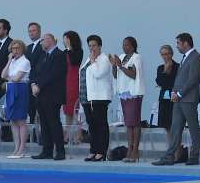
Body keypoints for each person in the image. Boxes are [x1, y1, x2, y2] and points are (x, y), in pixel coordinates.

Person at [154, 33, 200, 166]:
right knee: (175, 128)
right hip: (178, 99)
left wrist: (179, 93)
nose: (177, 47)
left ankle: (194, 156)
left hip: (188, 99)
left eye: (178, 43)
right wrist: (174, 93)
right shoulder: (185, 58)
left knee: (193, 128)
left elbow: (193, 79)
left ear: (186, 43)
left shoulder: (196, 58)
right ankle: (169, 156)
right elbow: (180, 78)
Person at [31, 33, 67, 160]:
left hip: (53, 95)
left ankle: (60, 151)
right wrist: (34, 84)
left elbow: (53, 74)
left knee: (54, 123)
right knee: (44, 124)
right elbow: (35, 71)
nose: (41, 43)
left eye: (43, 41)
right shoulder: (42, 55)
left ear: (50, 40)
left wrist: (39, 85)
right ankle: (47, 150)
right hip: (41, 95)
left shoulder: (59, 55)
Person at [112, 36, 145, 163]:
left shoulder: (137, 57)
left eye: (126, 45)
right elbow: (116, 75)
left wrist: (120, 67)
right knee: (128, 123)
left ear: (133, 46)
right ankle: (129, 149)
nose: (124, 47)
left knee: (135, 122)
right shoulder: (121, 57)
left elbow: (133, 74)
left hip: (134, 93)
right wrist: (114, 66)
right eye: (123, 44)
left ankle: (135, 150)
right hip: (124, 93)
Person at [82, 34, 113, 162]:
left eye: (94, 45)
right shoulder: (89, 59)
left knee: (101, 125)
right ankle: (93, 150)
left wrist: (94, 61)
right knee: (92, 125)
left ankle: (102, 151)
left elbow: (98, 74)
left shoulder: (104, 59)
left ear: (99, 46)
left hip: (100, 97)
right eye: (90, 46)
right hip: (88, 98)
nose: (92, 48)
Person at [2, 39, 31, 158]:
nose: (15, 51)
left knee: (21, 120)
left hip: (20, 89)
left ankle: (22, 148)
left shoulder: (25, 61)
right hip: (10, 89)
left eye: (18, 48)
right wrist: (9, 60)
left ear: (22, 49)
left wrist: (10, 77)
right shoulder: (12, 61)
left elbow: (17, 78)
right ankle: (16, 147)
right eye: (13, 48)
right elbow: (3, 75)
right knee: (13, 120)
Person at [62, 31, 83, 145]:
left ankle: (78, 135)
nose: (64, 41)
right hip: (65, 82)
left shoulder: (78, 51)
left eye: (66, 39)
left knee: (75, 109)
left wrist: (70, 48)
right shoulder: (64, 52)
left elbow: (75, 61)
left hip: (74, 81)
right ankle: (67, 134)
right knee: (67, 110)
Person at [155, 45, 177, 134]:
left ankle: (177, 147)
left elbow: (174, 82)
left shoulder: (178, 67)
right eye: (163, 54)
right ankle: (170, 146)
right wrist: (165, 71)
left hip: (174, 99)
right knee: (166, 126)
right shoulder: (160, 68)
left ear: (171, 54)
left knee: (175, 126)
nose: (165, 57)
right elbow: (159, 82)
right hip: (164, 99)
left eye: (167, 54)